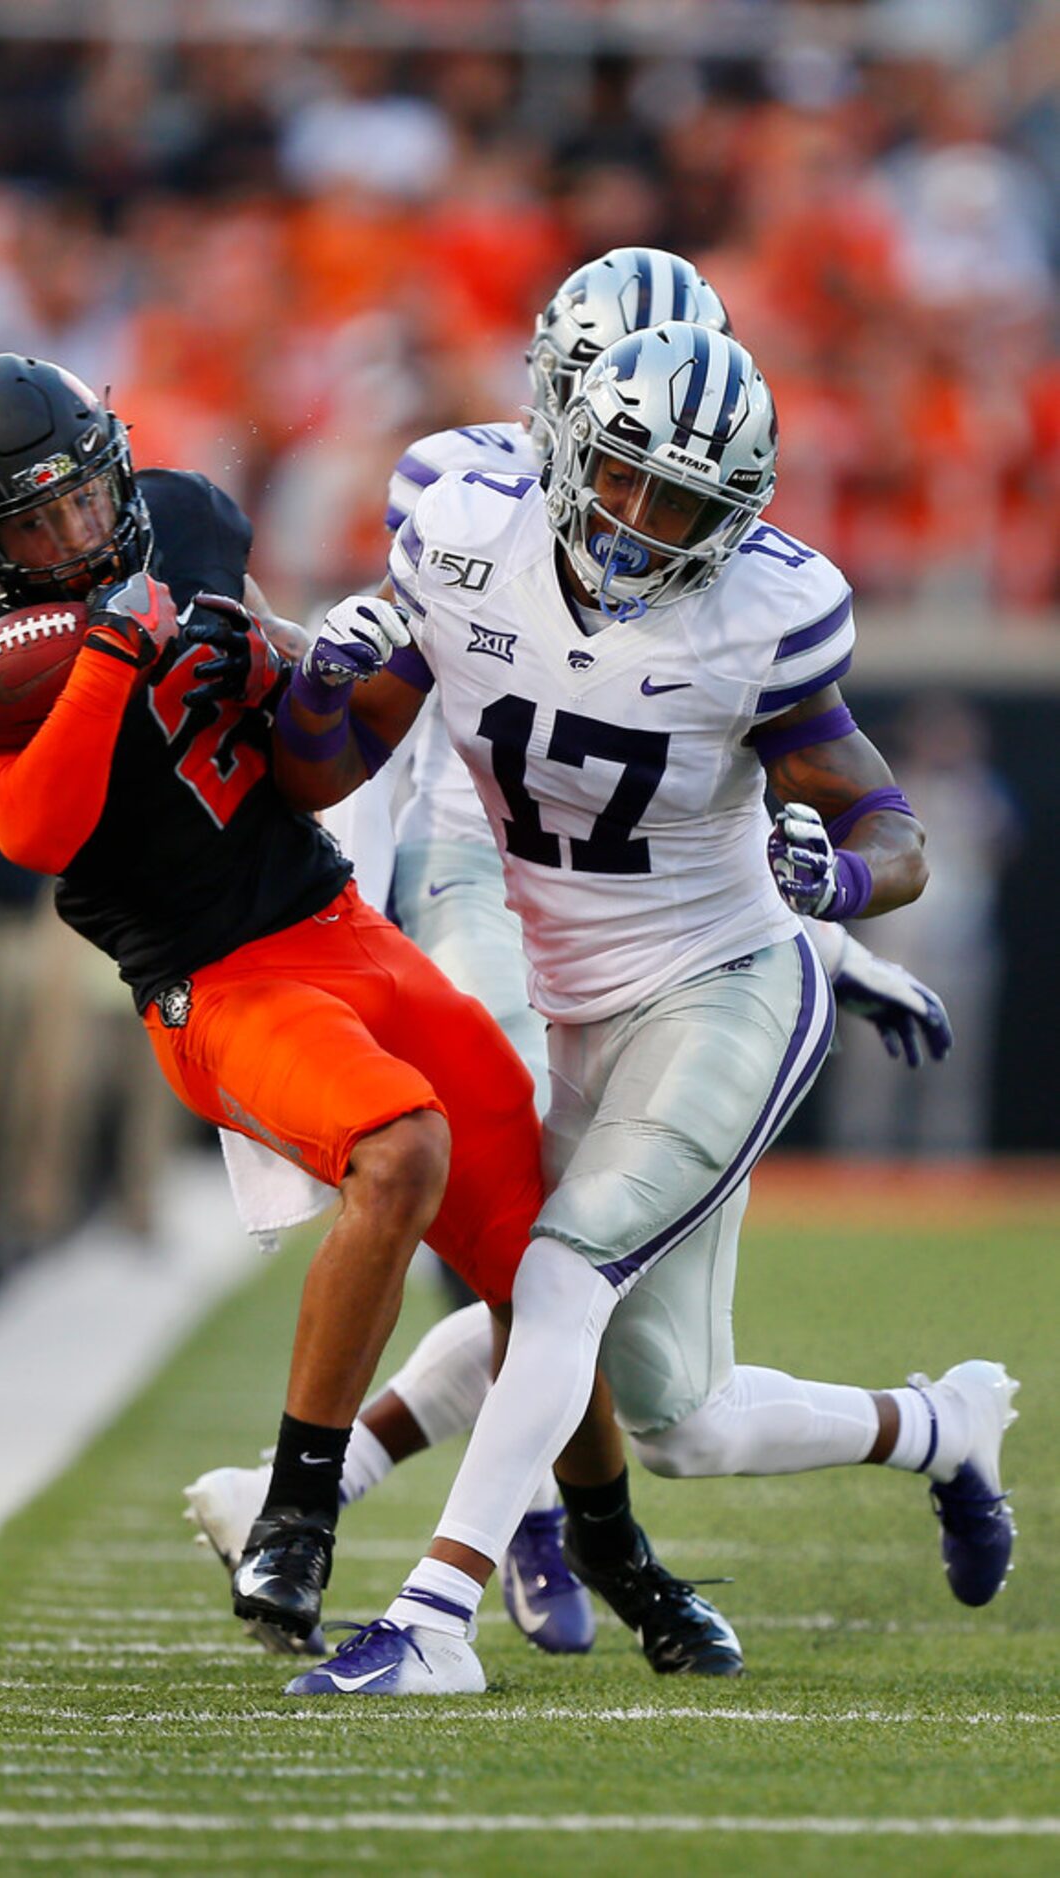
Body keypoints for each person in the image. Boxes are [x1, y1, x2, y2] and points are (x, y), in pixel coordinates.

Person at [189, 249, 953, 1669]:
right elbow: (319, 765)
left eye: (687, 503)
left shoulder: (764, 611)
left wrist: (834, 892)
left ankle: (433, 1606)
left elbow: (880, 820)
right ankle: (933, 1428)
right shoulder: (460, 522)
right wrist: (319, 682)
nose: (646, 522)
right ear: (559, 427)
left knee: (553, 1270)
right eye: (625, 476)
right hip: (540, 949)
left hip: (714, 977)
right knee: (675, 1412)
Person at [0, 352, 555, 1654]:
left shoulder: (186, 520)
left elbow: (297, 740)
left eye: (82, 498)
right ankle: (298, 1517)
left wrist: (288, 656)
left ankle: (603, 1537)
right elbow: (34, 831)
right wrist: (110, 653)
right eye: (34, 519)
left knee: (548, 1253)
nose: (75, 531)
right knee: (401, 1151)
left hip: (339, 919)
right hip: (213, 976)